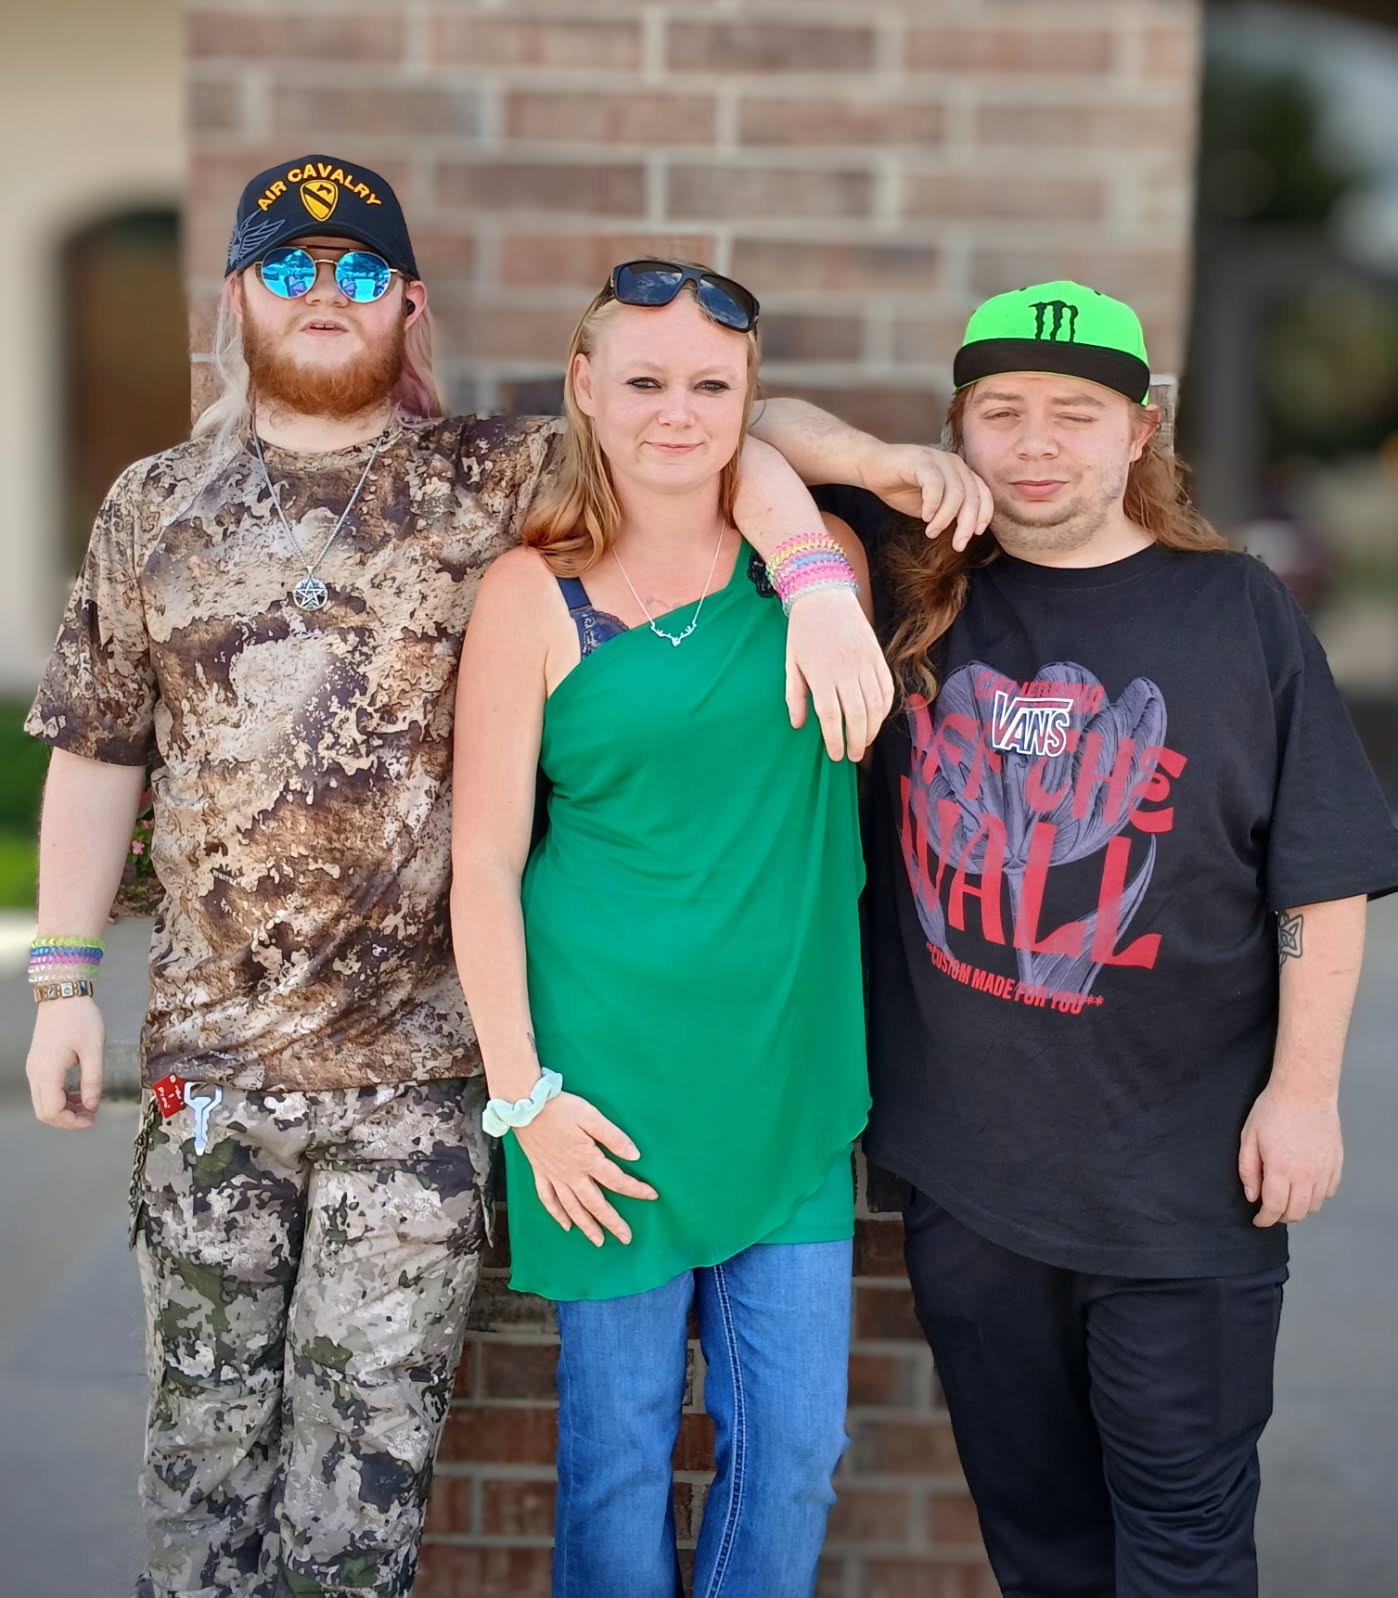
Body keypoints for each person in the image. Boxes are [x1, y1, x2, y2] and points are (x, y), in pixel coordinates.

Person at [22, 151, 986, 1597]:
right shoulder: (152, 505)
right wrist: (61, 977)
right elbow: (99, 749)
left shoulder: (488, 472)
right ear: (236, 297)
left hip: (419, 1080)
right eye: (291, 267)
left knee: (357, 1507)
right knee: (200, 1474)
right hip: (209, 1071)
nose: (327, 292)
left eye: (361, 267)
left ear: (409, 303)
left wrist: (824, 551)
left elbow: (716, 426)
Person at [797, 280, 1398, 1597]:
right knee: (1042, 1551)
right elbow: (743, 430)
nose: (1035, 444)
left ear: (1140, 430)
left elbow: (1320, 879)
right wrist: (876, 469)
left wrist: (1303, 1095)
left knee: (1183, 1552)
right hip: (973, 1185)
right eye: (1000, 411)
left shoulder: (1236, 611)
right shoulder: (913, 577)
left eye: (1074, 412)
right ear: (959, 427)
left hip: (1185, 1191)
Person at [449, 261, 873, 1598]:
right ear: (584, 387)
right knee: (617, 1458)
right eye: (642, 381)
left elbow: (779, 459)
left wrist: (815, 565)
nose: (676, 412)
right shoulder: (532, 593)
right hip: (601, 1099)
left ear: (748, 396)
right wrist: (525, 1097)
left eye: (709, 384)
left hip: (786, 1080)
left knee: (794, 1451)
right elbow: (482, 862)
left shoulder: (816, 575)